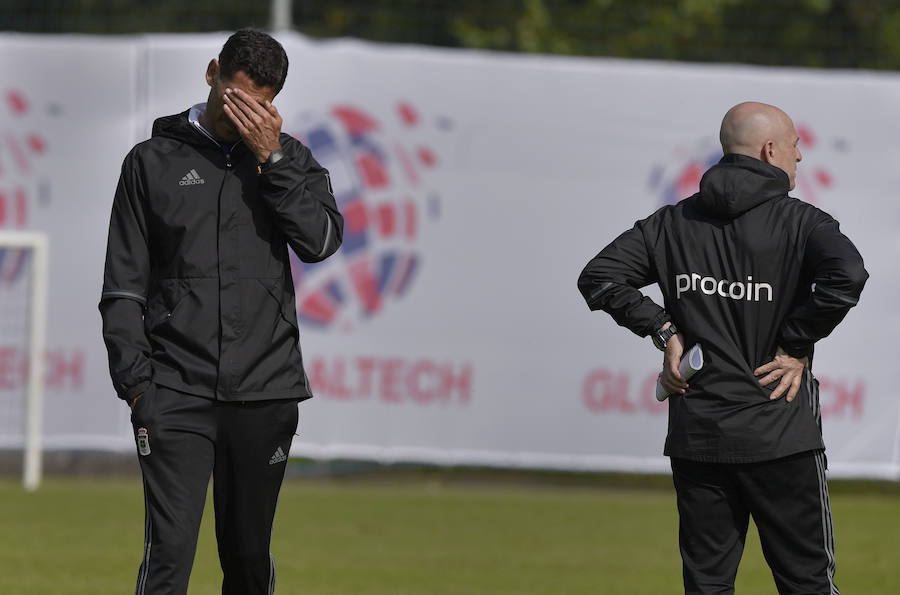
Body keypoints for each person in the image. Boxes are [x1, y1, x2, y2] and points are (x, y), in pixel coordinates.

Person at [577, 101, 867, 595]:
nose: (800, 156)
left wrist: (663, 331)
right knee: (808, 586)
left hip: (700, 438)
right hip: (781, 436)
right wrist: (794, 344)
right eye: (795, 145)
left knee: (707, 587)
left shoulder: (671, 222)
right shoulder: (803, 222)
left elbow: (600, 277)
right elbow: (849, 276)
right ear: (770, 150)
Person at [99, 29, 343, 594]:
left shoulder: (290, 161)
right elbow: (123, 286)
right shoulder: (150, 162)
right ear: (212, 74)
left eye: (258, 105)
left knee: (248, 560)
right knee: (169, 559)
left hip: (266, 391)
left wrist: (271, 159)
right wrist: (138, 387)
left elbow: (321, 241)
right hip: (174, 392)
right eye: (235, 97)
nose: (243, 115)